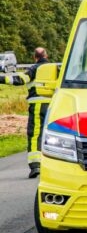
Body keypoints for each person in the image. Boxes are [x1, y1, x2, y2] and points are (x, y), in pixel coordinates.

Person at [1, 47, 51, 178]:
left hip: (38, 105)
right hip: (55, 106)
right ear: (47, 56)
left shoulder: (34, 69)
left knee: (35, 135)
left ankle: (35, 166)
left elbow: (19, 79)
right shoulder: (55, 69)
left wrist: (1, 79)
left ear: (35, 57)